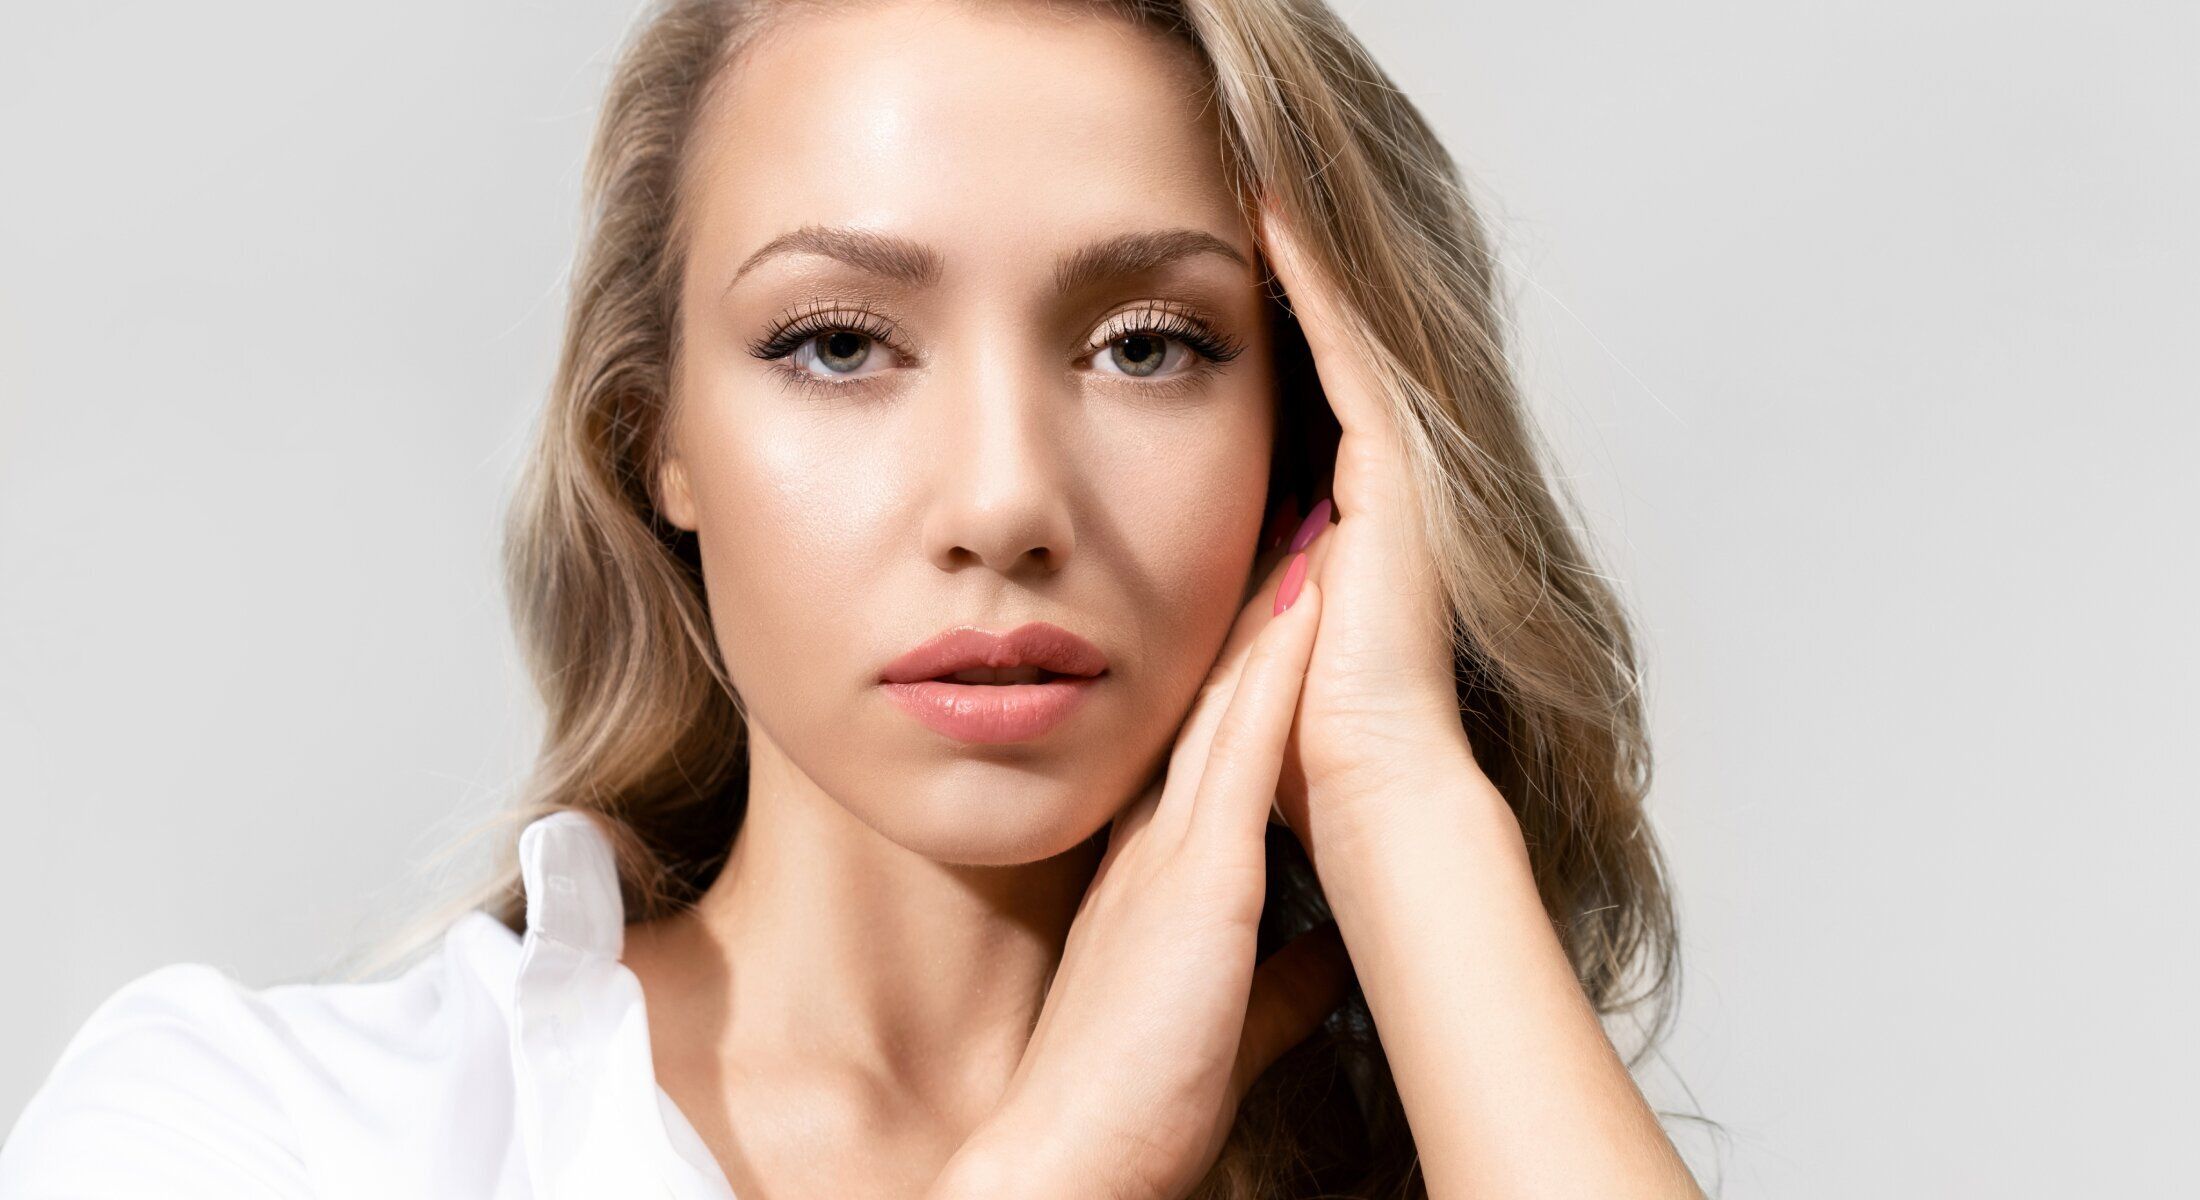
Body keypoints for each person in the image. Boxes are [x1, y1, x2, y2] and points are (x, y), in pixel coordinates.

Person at [0, 0, 1707, 1196]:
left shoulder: (1478, 1146)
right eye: (836, 344)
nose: (1004, 501)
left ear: (1310, 438)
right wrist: (1061, 1172)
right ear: (654, 436)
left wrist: (1401, 795)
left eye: (1147, 346)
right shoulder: (259, 1136)